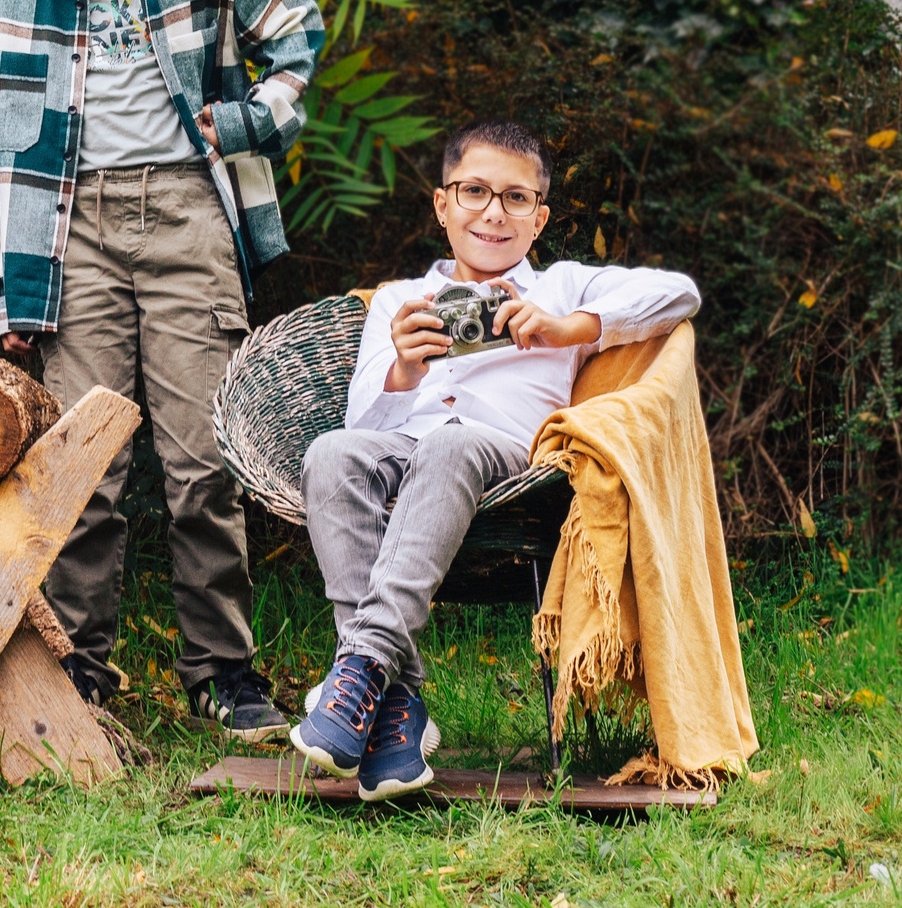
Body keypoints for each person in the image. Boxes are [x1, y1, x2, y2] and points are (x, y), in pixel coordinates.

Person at [0, 0, 323, 739]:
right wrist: (6, 290)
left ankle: (224, 675)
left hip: (184, 215)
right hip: (67, 230)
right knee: (85, 463)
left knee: (205, 459)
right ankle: (80, 669)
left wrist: (250, 120)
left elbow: (297, 30)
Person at [291, 120, 700, 800]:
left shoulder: (562, 286)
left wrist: (570, 326)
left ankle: (359, 664)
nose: (492, 211)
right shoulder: (399, 300)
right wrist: (402, 367)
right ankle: (394, 706)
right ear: (442, 204)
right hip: (408, 447)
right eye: (474, 191)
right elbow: (362, 424)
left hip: (513, 467)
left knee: (455, 440)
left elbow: (678, 292)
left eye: (514, 198)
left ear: (538, 218)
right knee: (331, 452)